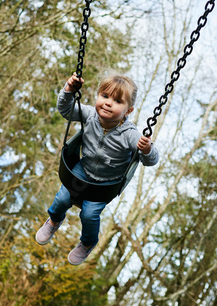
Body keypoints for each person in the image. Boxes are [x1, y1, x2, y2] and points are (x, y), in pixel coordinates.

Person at [35, 71, 159, 265]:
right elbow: (66, 110)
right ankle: (53, 221)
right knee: (62, 198)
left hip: (106, 184)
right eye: (105, 96)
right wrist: (68, 90)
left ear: (128, 111)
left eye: (117, 101)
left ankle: (87, 243)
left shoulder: (130, 134)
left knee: (89, 214)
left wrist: (147, 149)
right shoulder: (90, 114)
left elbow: (150, 160)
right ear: (98, 96)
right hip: (82, 170)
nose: (108, 103)